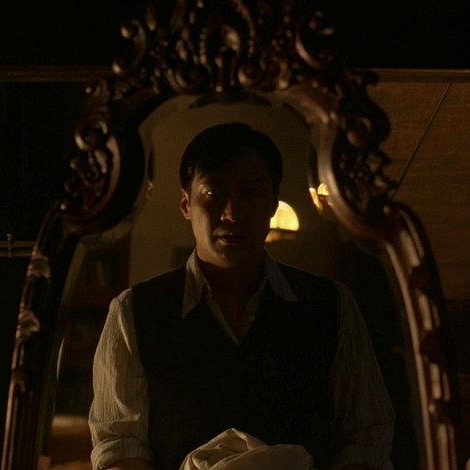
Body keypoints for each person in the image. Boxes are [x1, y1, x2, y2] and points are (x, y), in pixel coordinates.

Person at [88, 122, 395, 470]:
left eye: (250, 193)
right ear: (186, 203)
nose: (232, 213)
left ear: (273, 203)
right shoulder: (135, 311)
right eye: (213, 193)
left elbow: (365, 440)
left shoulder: (330, 304)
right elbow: (120, 446)